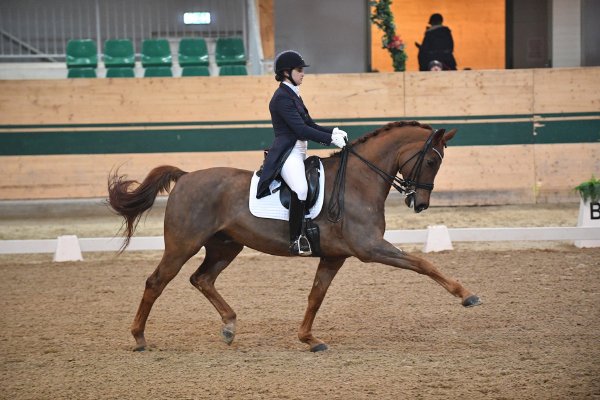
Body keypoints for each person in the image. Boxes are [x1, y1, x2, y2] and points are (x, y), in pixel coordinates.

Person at [256, 50, 348, 256]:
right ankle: (296, 239)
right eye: (299, 70)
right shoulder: (281, 98)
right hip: (288, 152)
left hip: (298, 150)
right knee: (300, 189)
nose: (303, 73)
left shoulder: (293, 94)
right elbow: (300, 130)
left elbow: (309, 124)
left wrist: (331, 131)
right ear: (286, 72)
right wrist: (329, 140)